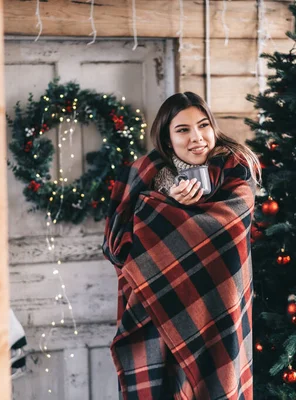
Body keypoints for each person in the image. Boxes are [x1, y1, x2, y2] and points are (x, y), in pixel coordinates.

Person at [103, 92, 261, 400]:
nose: (197, 138)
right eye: (183, 130)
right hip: (160, 314)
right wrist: (165, 197)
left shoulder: (237, 176)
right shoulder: (144, 179)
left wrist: (172, 215)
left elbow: (222, 233)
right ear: (167, 138)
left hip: (219, 314)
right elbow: (118, 246)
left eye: (203, 126)